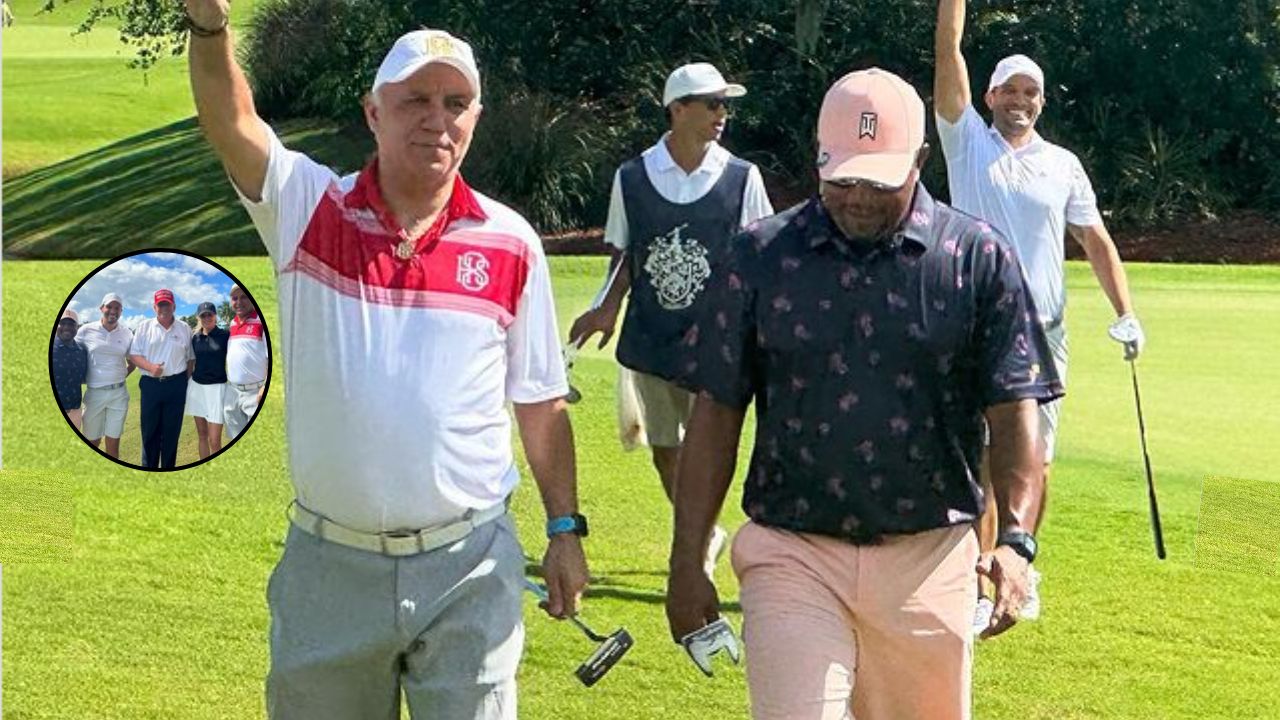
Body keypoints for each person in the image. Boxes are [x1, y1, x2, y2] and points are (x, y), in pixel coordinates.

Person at [184, 1, 589, 716]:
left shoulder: (511, 241)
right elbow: (232, 122)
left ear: (476, 117)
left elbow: (540, 402)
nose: (437, 119)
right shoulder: (309, 207)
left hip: (470, 564)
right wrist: (211, 29)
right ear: (374, 113)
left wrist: (564, 530)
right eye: (415, 100)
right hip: (329, 567)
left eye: (456, 103)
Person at [664, 68, 1063, 720]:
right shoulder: (761, 256)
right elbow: (716, 412)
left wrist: (1016, 542)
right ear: (818, 158)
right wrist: (687, 561)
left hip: (930, 556)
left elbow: (1016, 408)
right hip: (792, 551)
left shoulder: (976, 259)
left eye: (878, 182)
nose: (856, 198)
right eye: (842, 178)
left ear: (921, 161)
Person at [934, 0, 1144, 625]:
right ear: (991, 96)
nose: (1020, 100)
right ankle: (979, 584)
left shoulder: (1063, 164)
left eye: (1031, 92)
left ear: (1042, 101)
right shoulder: (968, 142)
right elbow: (948, 52)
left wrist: (1126, 311)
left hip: (1045, 335)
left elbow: (1095, 240)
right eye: (1010, 90)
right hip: (977, 329)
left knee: (1035, 461)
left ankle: (1019, 567)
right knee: (982, 461)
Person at [568, 62, 773, 577]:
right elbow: (626, 255)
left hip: (715, 344)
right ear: (678, 110)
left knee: (704, 452)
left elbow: (762, 257)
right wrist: (607, 308)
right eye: (712, 104)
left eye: (725, 105)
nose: (722, 114)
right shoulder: (632, 177)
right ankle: (703, 534)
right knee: (665, 452)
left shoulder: (742, 177)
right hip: (652, 338)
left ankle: (695, 542)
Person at [128, 288, 195, 469]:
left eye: (167, 304)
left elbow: (190, 358)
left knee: (172, 433)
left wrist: (185, 381)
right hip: (151, 385)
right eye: (160, 304)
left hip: (176, 385)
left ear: (174, 306)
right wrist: (151, 367)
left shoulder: (184, 328)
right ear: (154, 307)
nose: (164, 308)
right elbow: (134, 355)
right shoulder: (144, 327)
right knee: (149, 432)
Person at [76, 293, 135, 458]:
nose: (113, 311)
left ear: (121, 311)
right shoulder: (85, 330)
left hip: (119, 394)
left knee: (113, 444)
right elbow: (74, 355)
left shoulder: (127, 333)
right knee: (92, 442)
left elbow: (133, 362)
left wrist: (120, 376)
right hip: (94, 394)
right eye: (109, 306)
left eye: (117, 308)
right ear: (101, 308)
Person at [223, 285, 267, 441]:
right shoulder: (233, 323)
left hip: (255, 393)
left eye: (244, 297)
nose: (239, 302)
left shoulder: (261, 321)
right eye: (235, 298)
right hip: (232, 392)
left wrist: (265, 387)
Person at [186, 301, 230, 459]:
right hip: (197, 388)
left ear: (215, 316)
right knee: (202, 435)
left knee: (215, 441)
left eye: (209, 315)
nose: (206, 318)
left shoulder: (225, 336)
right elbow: (190, 362)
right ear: (199, 318)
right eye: (203, 316)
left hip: (217, 389)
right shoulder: (195, 338)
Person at [52, 309, 89, 432]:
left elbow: (83, 378)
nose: (67, 327)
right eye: (62, 323)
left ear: (77, 327)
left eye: (71, 324)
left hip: (75, 412)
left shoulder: (81, 351)